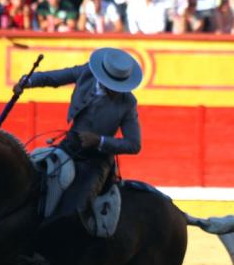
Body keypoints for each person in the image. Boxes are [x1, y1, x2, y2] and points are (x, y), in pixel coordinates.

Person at [15, 47, 143, 224]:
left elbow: (134, 144)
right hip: (70, 146)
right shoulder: (87, 73)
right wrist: (27, 81)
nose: (117, 91)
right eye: (114, 86)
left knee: (77, 208)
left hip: (97, 160)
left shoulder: (128, 102)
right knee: (34, 181)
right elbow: (56, 77)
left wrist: (100, 141)